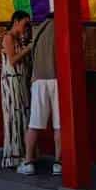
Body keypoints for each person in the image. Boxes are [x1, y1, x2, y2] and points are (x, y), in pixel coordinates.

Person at [18, 14, 61, 175]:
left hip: (38, 80)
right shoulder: (62, 27)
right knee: (60, 124)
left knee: (34, 123)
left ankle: (28, 162)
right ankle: (59, 163)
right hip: (58, 79)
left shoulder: (39, 29)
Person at [2, 11, 33, 169]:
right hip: (12, 81)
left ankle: (25, 154)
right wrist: (27, 49)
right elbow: (12, 60)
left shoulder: (21, 39)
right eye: (24, 23)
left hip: (22, 80)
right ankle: (13, 155)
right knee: (14, 117)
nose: (26, 27)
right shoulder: (8, 37)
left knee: (24, 116)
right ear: (16, 21)